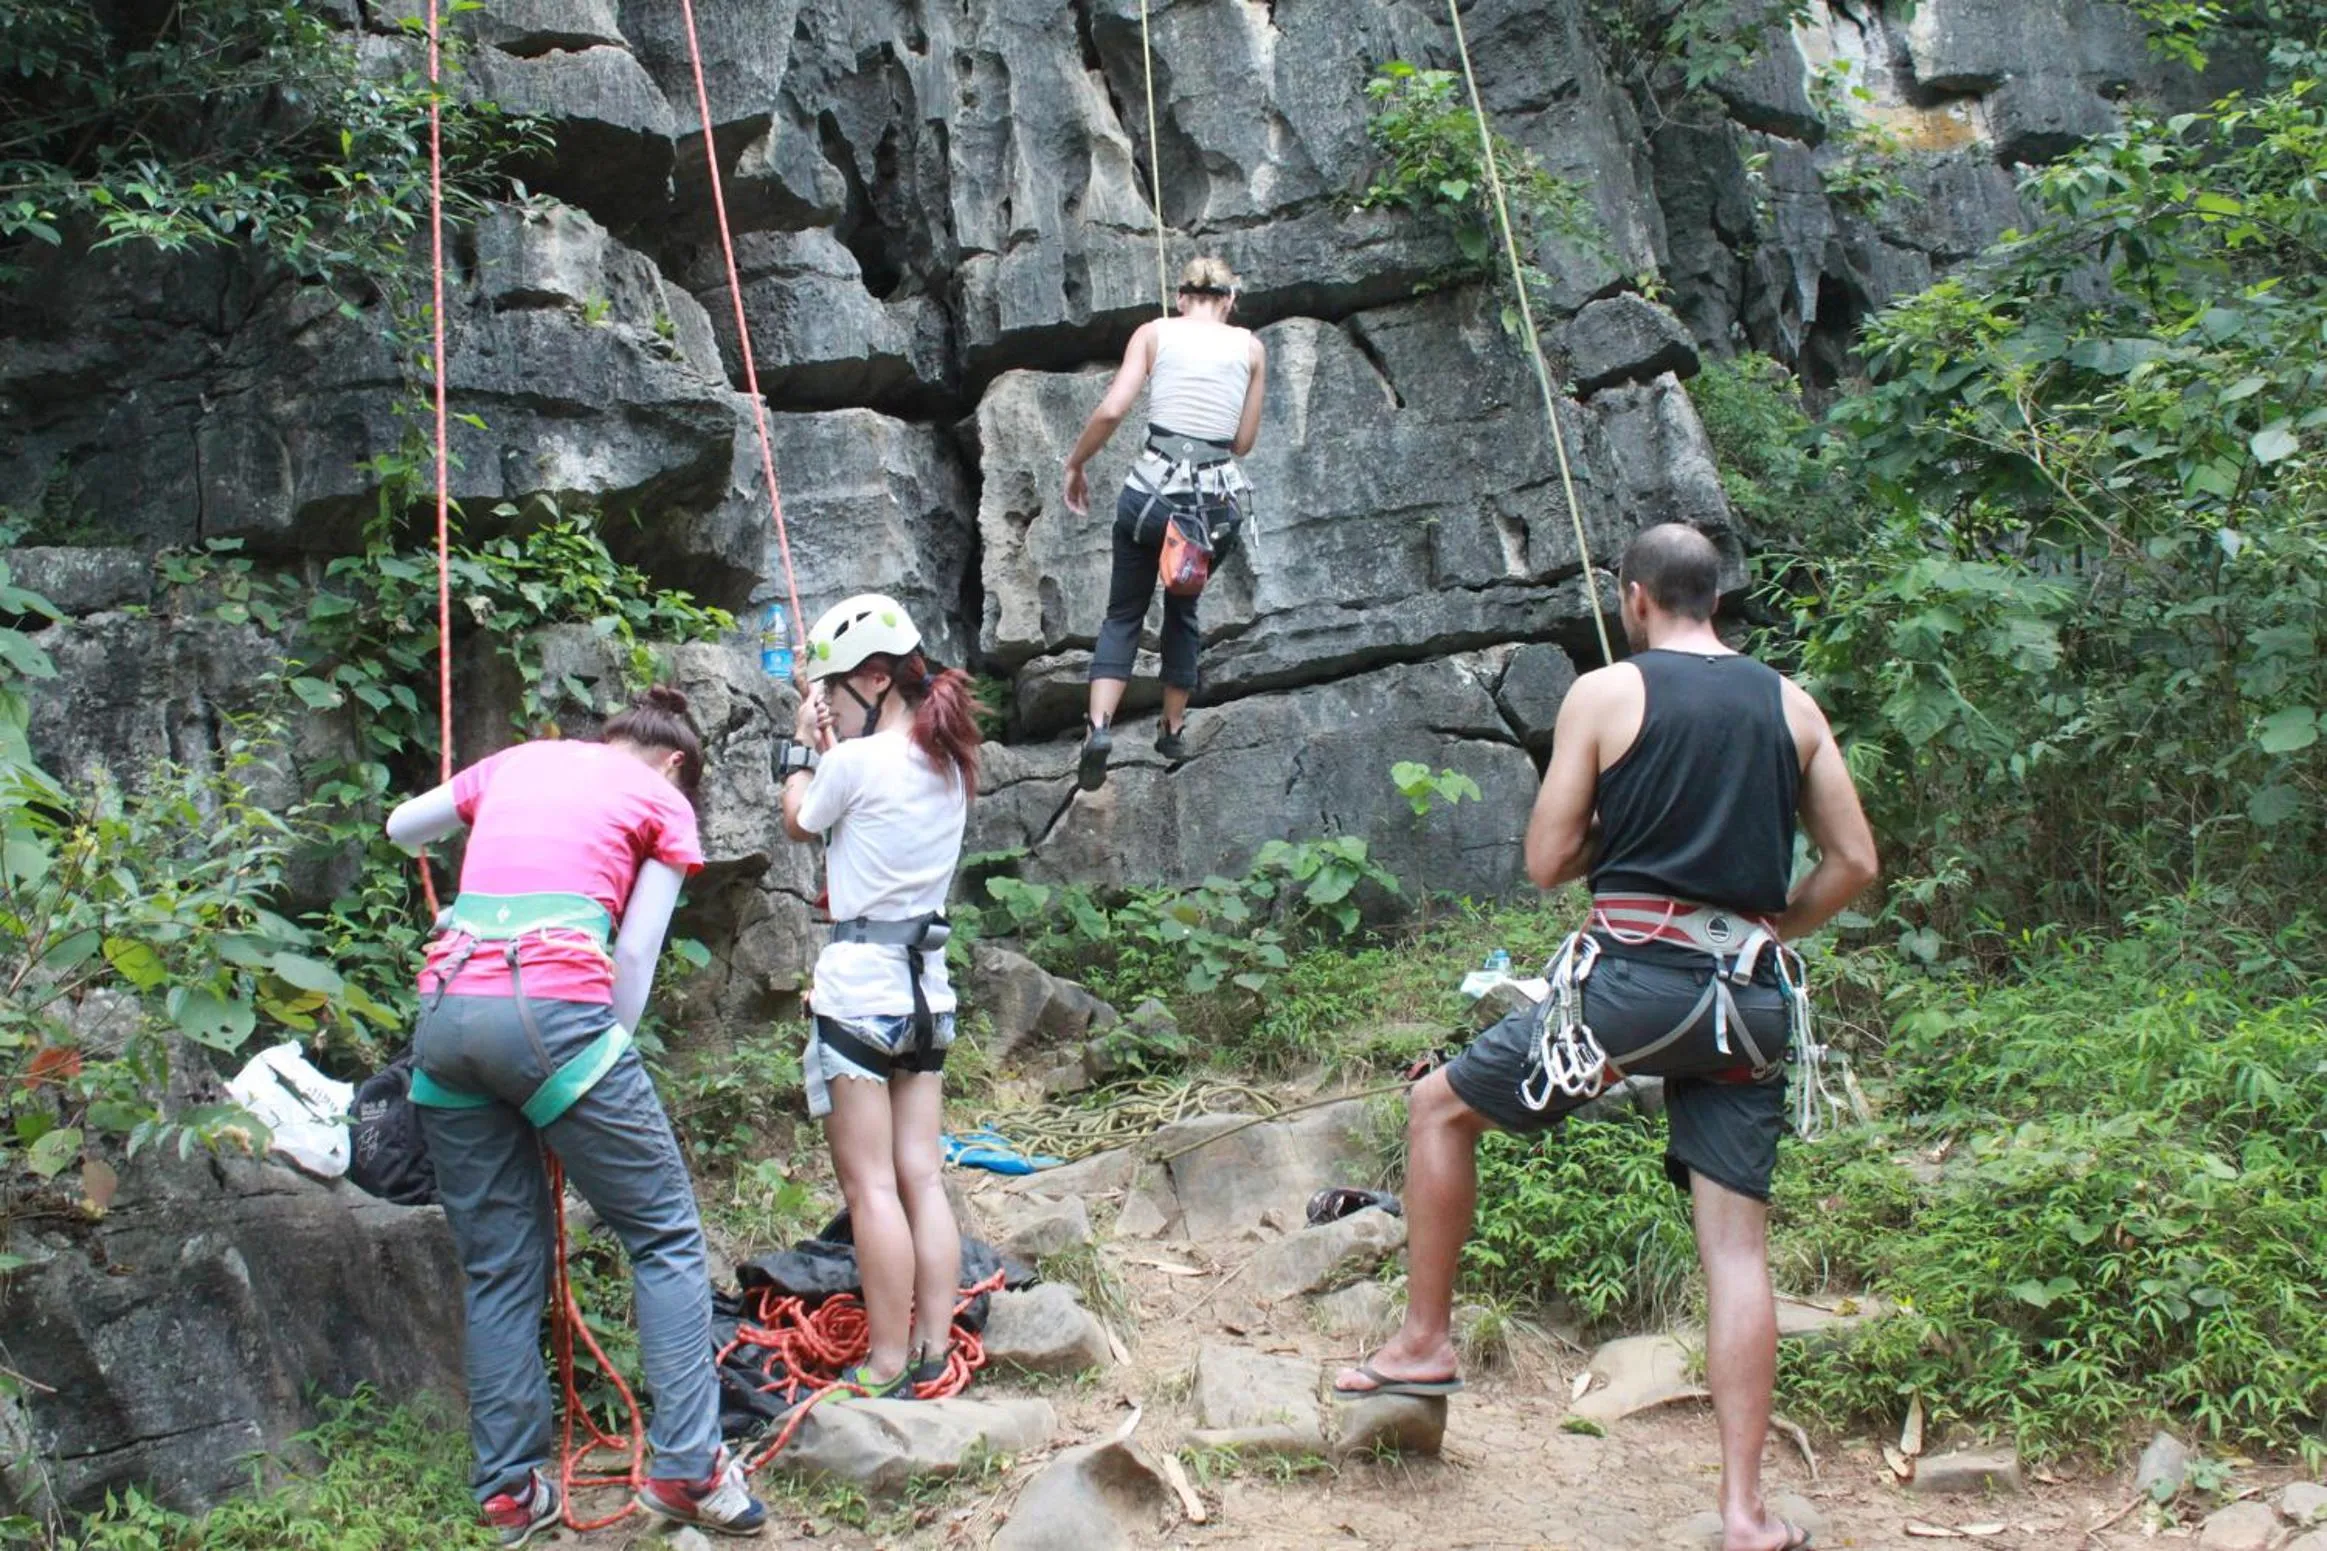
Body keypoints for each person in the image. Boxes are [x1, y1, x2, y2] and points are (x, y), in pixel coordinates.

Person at [1334, 525, 1879, 1551]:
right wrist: (1769, 930)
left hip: (1631, 989)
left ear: (1633, 599)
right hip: (1748, 1003)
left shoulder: (1604, 694)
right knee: (1733, 1251)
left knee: (1437, 1106)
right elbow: (1851, 860)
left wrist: (1611, 835)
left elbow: (1546, 862)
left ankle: (1421, 1343)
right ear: (1710, 598)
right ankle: (1742, 1513)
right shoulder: (1789, 704)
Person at [384, 687, 768, 1546]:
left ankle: (511, 1493)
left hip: (444, 1018)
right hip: (553, 1012)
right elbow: (632, 952)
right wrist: (590, 1065)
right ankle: (689, 1467)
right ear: (676, 764)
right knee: (665, 1233)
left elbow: (402, 828)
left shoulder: (522, 759)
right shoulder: (663, 800)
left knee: (496, 1263)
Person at [777, 594, 982, 1394]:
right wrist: (834, 746)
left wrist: (799, 749)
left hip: (859, 997)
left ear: (872, 677)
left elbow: (802, 819)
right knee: (920, 1177)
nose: (827, 701)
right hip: (927, 995)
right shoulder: (951, 761)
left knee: (869, 1187)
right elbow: (859, 804)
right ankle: (932, 1344)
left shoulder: (852, 765)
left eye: (834, 687)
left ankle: (886, 1363)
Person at [1061, 255, 1268, 790]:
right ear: (1230, 301)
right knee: (1183, 605)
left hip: (1149, 498)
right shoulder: (1251, 348)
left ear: (1180, 298)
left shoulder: (1154, 333)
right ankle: (1173, 727)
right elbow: (1242, 444)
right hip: (1210, 508)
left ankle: (1099, 728)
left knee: (1124, 613)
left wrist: (1076, 462)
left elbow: (1111, 411)